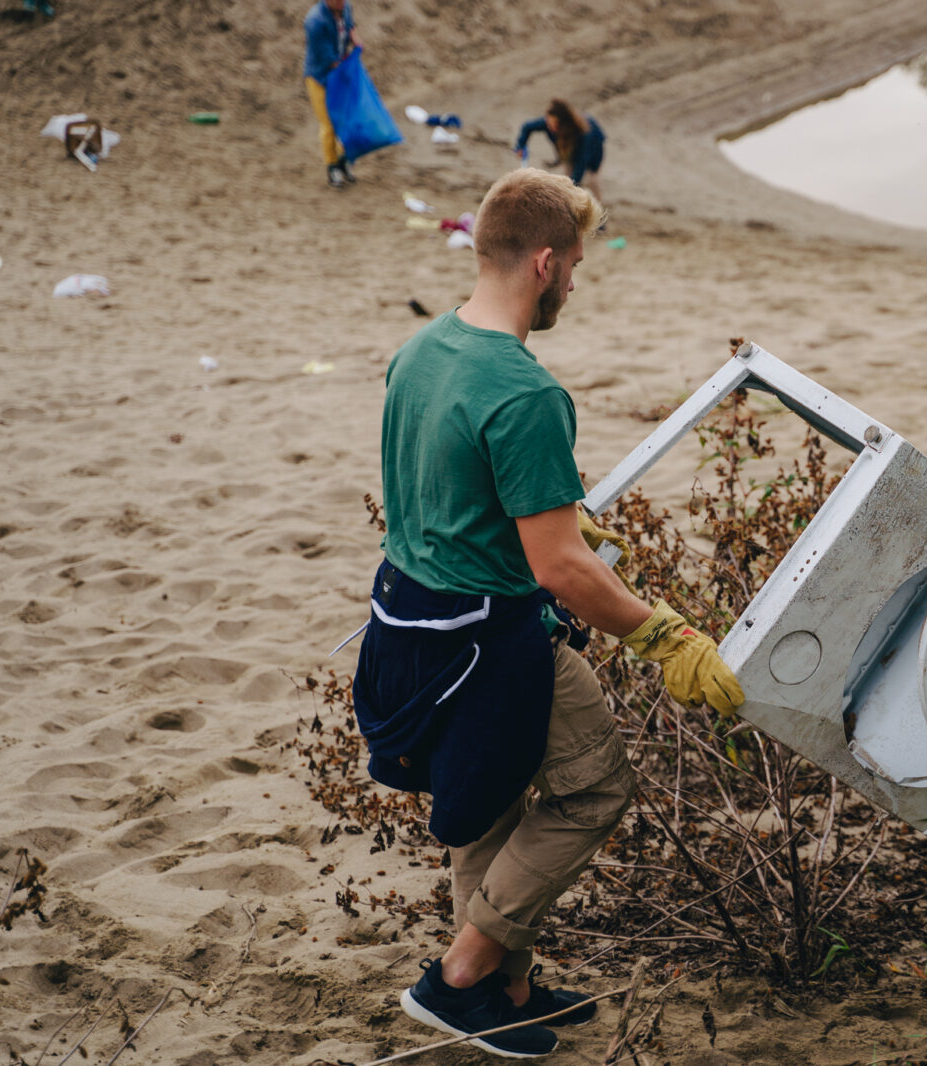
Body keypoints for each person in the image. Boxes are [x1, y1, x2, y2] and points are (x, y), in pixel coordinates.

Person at [351, 168, 743, 1058]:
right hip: (486, 640)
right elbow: (561, 569)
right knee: (595, 786)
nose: (577, 279)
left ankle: (509, 986)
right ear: (541, 262)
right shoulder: (525, 394)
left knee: (488, 803)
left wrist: (540, 507)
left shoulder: (421, 351)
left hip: (404, 625)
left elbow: (442, 484)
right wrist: (663, 636)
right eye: (574, 263)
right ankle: (460, 974)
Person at [303, 0, 362, 188]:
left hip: (339, 74)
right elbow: (329, 59)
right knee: (328, 123)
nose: (342, 2)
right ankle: (332, 167)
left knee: (345, 120)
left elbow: (350, 25)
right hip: (319, 78)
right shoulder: (314, 22)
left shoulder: (345, 8)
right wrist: (348, 69)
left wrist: (355, 38)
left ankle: (344, 161)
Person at [516, 99, 606, 204]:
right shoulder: (548, 122)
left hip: (594, 147)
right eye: (548, 122)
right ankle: (572, 201)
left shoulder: (583, 132)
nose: (549, 126)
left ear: (563, 123)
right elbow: (527, 127)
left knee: (592, 178)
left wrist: (570, 189)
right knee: (568, 174)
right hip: (568, 148)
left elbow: (581, 163)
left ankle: (599, 210)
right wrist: (521, 146)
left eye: (554, 124)